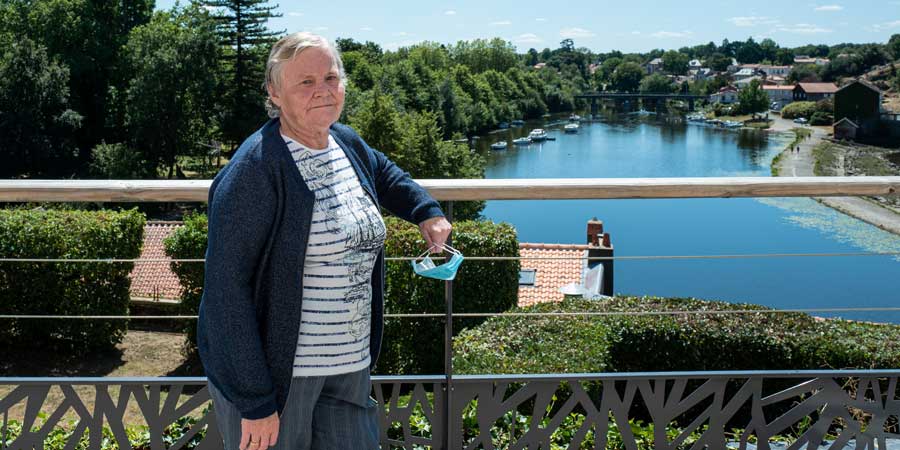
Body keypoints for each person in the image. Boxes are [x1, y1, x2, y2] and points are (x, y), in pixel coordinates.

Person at [198, 31, 452, 450]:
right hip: (281, 382)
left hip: (349, 369)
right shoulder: (254, 171)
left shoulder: (344, 142)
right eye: (306, 82)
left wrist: (426, 210)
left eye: (331, 78)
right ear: (274, 93)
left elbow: (385, 174)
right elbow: (226, 294)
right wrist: (256, 401)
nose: (323, 91)